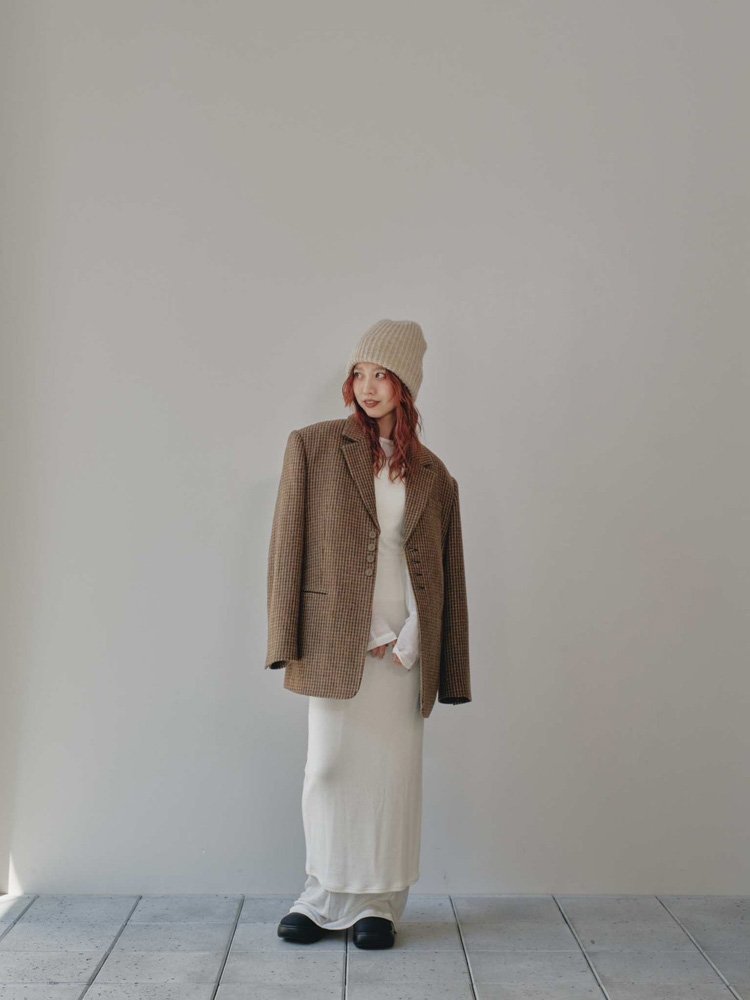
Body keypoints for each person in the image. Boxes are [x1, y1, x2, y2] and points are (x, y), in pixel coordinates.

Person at [264, 318, 471, 949]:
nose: (369, 386)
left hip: (406, 646)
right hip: (339, 637)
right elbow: (289, 548)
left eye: (383, 375)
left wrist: (417, 637)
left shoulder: (434, 474)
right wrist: (290, 636)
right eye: (360, 373)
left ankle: (378, 903)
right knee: (328, 769)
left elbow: (444, 569)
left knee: (389, 777)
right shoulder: (314, 446)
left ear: (406, 386)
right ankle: (320, 896)